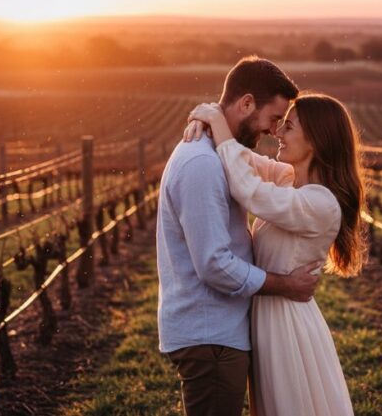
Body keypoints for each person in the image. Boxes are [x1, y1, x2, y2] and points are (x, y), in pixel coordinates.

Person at [156, 56, 323, 416]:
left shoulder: (220, 154)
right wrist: (286, 284)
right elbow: (214, 265)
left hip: (219, 332)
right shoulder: (202, 164)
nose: (274, 131)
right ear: (246, 103)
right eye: (273, 119)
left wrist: (214, 119)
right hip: (210, 334)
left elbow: (269, 175)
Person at [183, 91, 366, 416]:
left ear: (316, 140)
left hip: (286, 327)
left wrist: (214, 121)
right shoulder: (288, 181)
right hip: (266, 320)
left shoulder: (321, 204)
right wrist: (211, 117)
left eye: (289, 127)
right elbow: (239, 159)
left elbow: (248, 189)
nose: (278, 133)